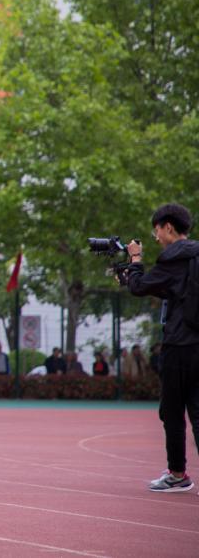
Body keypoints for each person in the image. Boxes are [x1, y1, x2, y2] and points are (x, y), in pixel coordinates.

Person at [119, 203, 199, 493]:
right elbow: (175, 290)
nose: (156, 238)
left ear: (168, 227)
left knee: (172, 411)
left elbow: (140, 286)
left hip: (179, 346)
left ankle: (177, 474)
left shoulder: (173, 257)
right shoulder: (195, 256)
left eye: (157, 231)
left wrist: (135, 259)